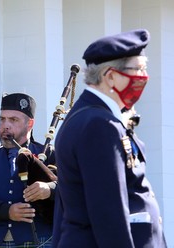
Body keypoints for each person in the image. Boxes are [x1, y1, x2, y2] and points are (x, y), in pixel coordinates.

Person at [52, 29, 167, 247]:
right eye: (138, 69)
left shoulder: (93, 116)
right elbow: (108, 211)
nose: (143, 77)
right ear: (110, 75)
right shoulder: (99, 125)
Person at [0, 93, 56, 247]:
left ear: (30, 124)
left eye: (13, 120)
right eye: (2, 119)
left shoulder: (49, 155)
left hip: (41, 240)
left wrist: (49, 188)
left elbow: (72, 188)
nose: (5, 125)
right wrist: (6, 211)